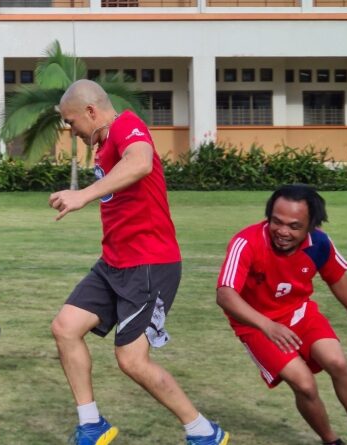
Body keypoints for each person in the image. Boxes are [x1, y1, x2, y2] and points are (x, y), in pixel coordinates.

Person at [47, 80, 228, 445]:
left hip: (149, 264)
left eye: (71, 122)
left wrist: (83, 195)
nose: (72, 132)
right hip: (114, 262)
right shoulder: (103, 146)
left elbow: (141, 162)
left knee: (131, 360)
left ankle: (202, 431)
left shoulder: (127, 125)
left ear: (91, 112)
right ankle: (91, 425)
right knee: (66, 327)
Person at [216, 185, 347, 445]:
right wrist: (268, 326)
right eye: (276, 222)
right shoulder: (246, 242)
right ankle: (331, 441)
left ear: (311, 224)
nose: (283, 232)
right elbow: (225, 294)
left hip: (300, 315)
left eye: (294, 226)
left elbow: (336, 278)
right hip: (256, 325)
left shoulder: (320, 243)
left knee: (338, 363)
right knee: (304, 384)